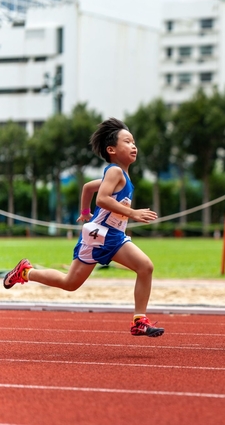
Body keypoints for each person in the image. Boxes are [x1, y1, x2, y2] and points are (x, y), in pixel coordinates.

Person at [3, 118, 164, 337]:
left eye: (134, 142)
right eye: (127, 141)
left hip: (113, 235)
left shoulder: (121, 175)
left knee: (142, 268)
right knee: (74, 282)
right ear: (112, 149)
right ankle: (26, 272)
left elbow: (89, 188)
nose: (133, 146)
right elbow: (103, 199)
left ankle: (139, 320)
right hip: (99, 236)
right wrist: (132, 213)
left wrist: (85, 214)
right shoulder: (115, 171)